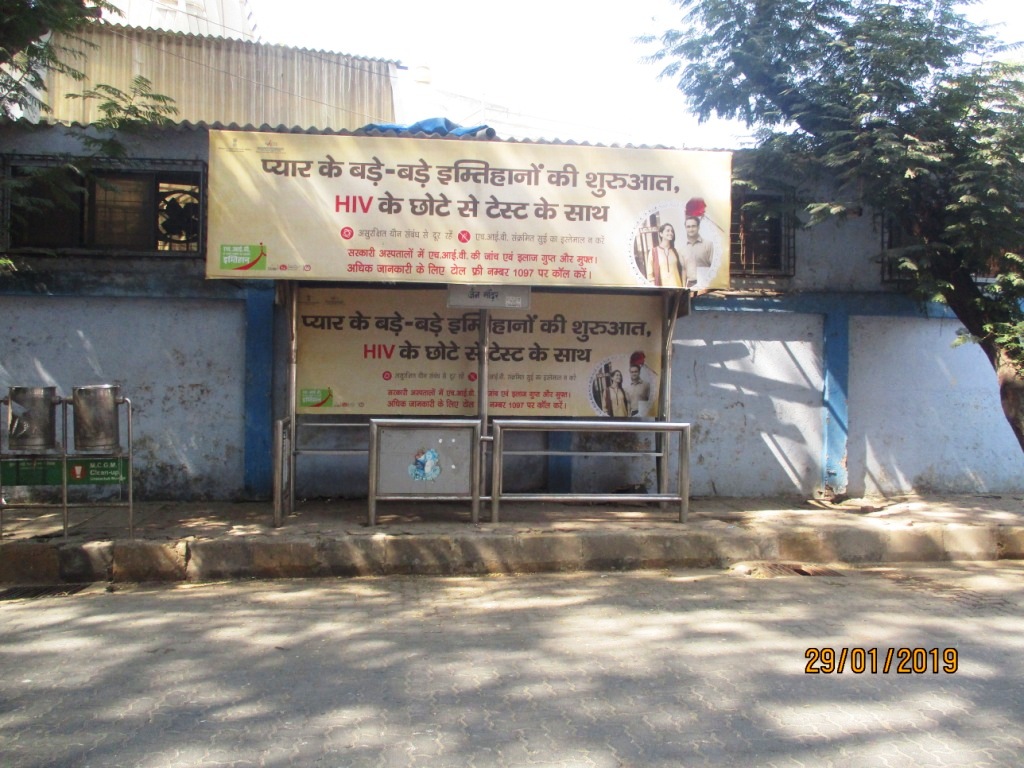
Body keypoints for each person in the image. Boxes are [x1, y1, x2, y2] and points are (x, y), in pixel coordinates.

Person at [681, 215, 714, 288]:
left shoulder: (708, 244)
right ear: (685, 228)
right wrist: (683, 288)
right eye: (688, 227)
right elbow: (683, 269)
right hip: (690, 284)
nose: (691, 229)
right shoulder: (683, 248)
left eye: (693, 226)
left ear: (698, 227)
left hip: (706, 284)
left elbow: (713, 266)